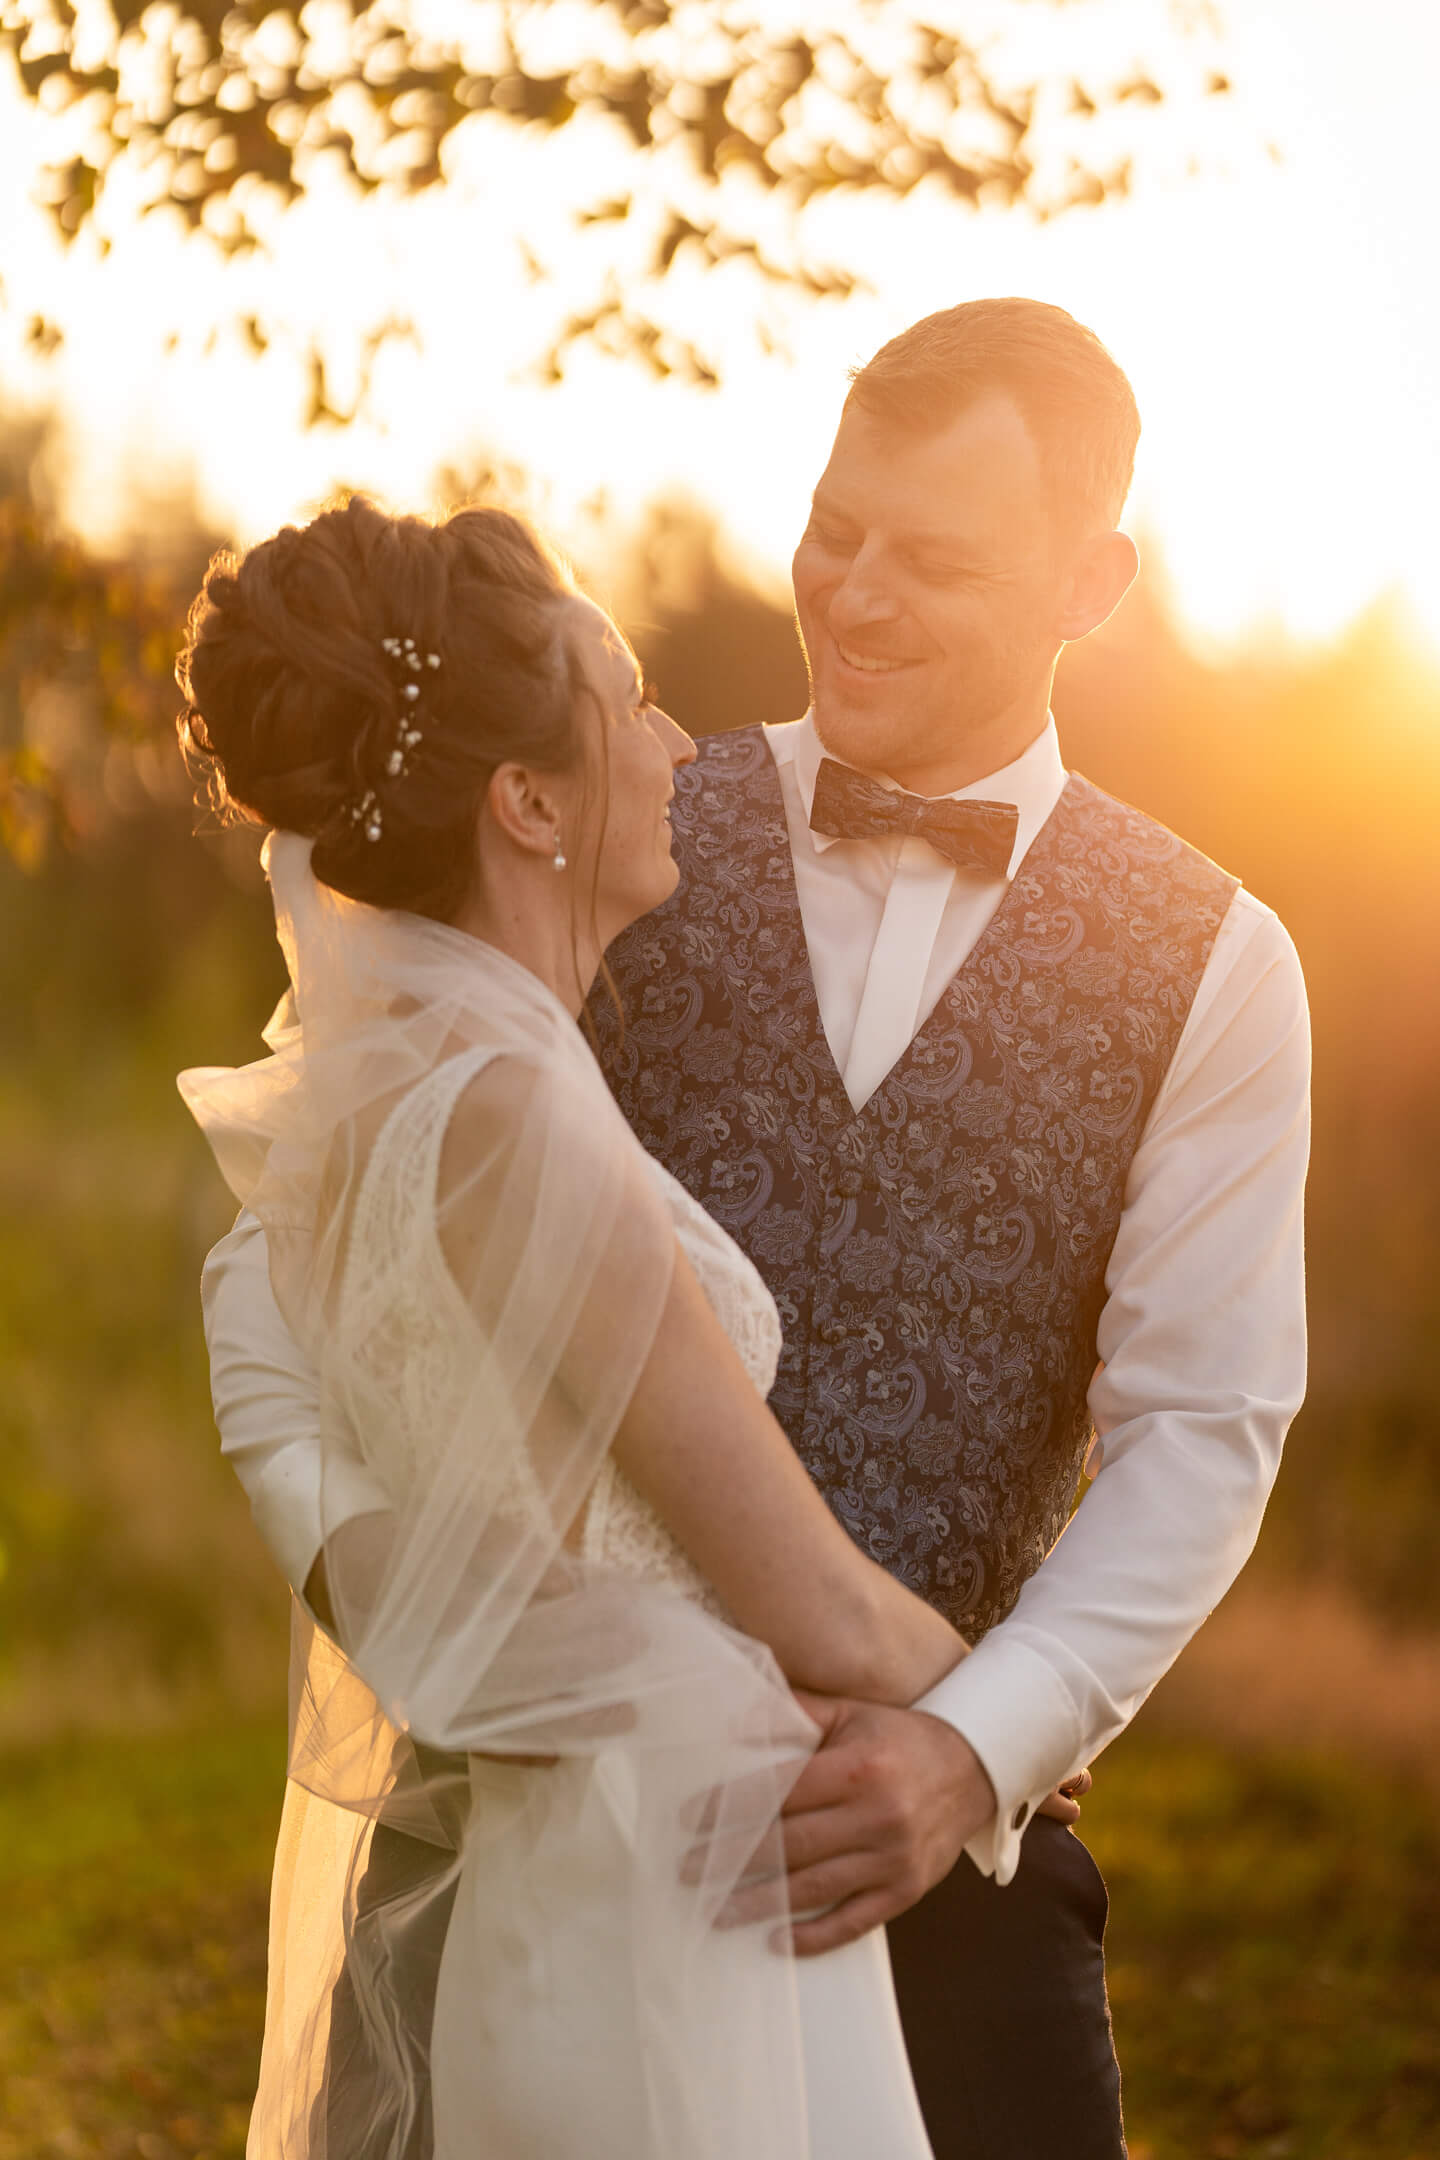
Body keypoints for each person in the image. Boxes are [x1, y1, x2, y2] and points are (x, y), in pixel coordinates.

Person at [205, 298, 1310, 2158]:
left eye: (933, 560)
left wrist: (975, 1746)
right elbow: (312, 1236)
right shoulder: (599, 826)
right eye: (834, 527)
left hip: (942, 1855)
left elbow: (1203, 1434)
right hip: (550, 1852)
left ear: (1089, 584)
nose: (854, 594)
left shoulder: (1220, 963)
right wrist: (409, 1606)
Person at [179, 495, 999, 2158]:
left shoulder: (349, 1147)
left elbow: (399, 1568)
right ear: (529, 799)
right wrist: (1007, 1719)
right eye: (632, 699)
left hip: (570, 1883)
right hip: (676, 1909)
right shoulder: (516, 1123)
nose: (679, 742)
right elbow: (807, 1595)